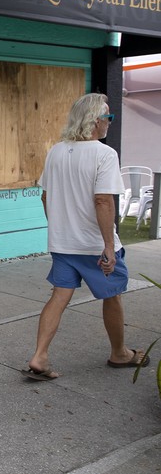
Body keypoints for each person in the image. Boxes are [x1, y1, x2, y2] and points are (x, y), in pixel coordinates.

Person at [22, 93, 149, 381]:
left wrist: (60, 228)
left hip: (63, 243)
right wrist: (108, 246)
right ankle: (120, 353)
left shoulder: (56, 151)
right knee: (112, 296)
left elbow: (45, 196)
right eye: (108, 117)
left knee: (59, 296)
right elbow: (103, 201)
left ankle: (39, 355)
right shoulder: (104, 154)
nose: (110, 123)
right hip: (94, 246)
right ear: (95, 121)